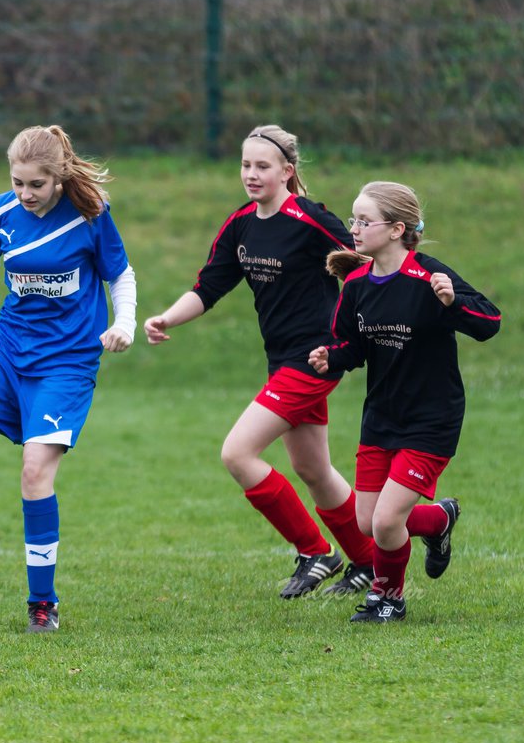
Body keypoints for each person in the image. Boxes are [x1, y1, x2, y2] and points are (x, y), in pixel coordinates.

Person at [142, 125, 376, 600]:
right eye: (246, 165)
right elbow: (209, 287)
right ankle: (369, 563)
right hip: (281, 360)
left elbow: (369, 267)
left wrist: (364, 332)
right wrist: (167, 318)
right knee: (313, 469)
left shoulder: (311, 220)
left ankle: (316, 551)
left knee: (237, 453)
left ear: (287, 172)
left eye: (262, 166)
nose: (251, 174)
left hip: (315, 359)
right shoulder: (242, 224)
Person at [0, 125, 137, 633]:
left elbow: (119, 273)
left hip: (66, 363)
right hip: (8, 349)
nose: (25, 193)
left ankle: (42, 603)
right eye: (17, 182)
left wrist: (123, 322)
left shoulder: (91, 214)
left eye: (35, 185)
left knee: (36, 472)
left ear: (59, 179)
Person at [309, 180, 501, 622]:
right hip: (382, 415)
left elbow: (489, 322)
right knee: (367, 521)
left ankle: (388, 598)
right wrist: (330, 357)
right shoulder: (356, 283)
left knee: (385, 523)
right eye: (353, 218)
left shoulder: (428, 276)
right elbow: (352, 347)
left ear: (396, 229)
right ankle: (437, 520)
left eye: (364, 221)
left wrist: (451, 302)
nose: (353, 228)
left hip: (432, 417)